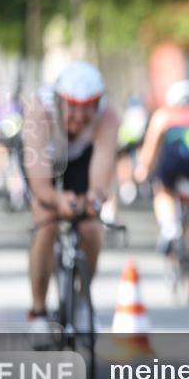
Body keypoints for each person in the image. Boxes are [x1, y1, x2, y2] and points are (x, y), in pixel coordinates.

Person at [22, 61, 119, 334]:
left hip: (81, 158)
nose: (78, 116)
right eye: (72, 106)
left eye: (87, 107)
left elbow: (100, 179)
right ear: (58, 100)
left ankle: (83, 301)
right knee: (47, 223)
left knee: (89, 225)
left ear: (98, 103)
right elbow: (40, 185)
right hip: (45, 161)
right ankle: (38, 311)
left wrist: (93, 199)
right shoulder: (39, 112)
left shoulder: (107, 116)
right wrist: (56, 200)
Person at [134, 80, 189, 288]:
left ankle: (169, 227)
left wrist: (143, 170)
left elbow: (151, 148)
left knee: (163, 192)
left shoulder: (163, 117)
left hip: (171, 167)